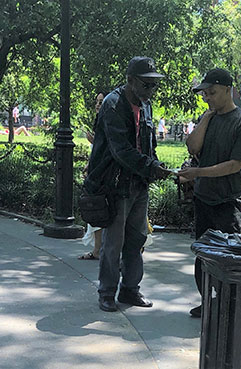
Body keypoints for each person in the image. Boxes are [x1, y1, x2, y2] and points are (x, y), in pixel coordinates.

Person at [84, 56, 170, 312]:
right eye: (146, 84)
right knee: (114, 241)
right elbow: (120, 150)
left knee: (137, 239)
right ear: (130, 80)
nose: (150, 90)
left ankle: (130, 290)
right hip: (115, 184)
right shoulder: (113, 105)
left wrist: (154, 165)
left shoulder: (146, 106)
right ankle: (107, 292)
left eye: (154, 85)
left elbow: (148, 143)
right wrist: (150, 166)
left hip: (138, 183)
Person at [177, 68, 241, 318]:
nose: (207, 97)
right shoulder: (208, 118)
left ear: (227, 90)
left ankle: (228, 307)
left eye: (211, 93)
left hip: (228, 202)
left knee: (227, 257)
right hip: (204, 199)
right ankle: (207, 302)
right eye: (205, 94)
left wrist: (198, 173)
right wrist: (206, 118)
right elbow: (192, 147)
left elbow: (235, 165)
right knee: (202, 255)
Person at [79, 91, 106, 261]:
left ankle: (99, 250)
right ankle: (97, 249)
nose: (98, 105)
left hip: (103, 175)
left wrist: (94, 142)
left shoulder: (110, 121)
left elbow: (106, 147)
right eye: (97, 102)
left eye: (101, 102)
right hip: (96, 171)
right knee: (95, 211)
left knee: (98, 209)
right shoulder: (100, 121)